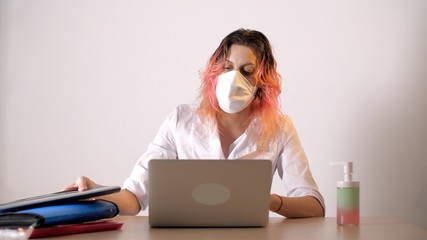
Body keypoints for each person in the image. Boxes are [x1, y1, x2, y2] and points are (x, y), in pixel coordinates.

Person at [65, 28, 325, 218]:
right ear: (214, 73)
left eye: (247, 71)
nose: (234, 78)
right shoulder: (181, 120)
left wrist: (269, 201)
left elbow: (314, 206)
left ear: (261, 84)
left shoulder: (280, 126)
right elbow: (133, 199)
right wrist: (95, 193)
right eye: (227, 67)